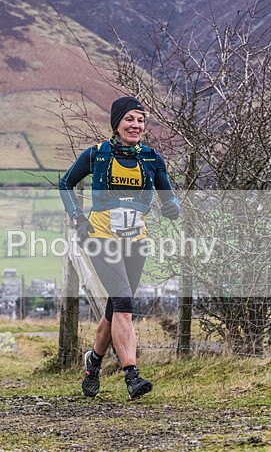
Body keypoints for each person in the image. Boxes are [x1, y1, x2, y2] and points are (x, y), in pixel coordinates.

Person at [58, 96, 180, 400]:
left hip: (136, 241)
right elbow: (65, 184)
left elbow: (168, 196)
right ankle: (131, 375)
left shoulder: (151, 158)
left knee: (115, 309)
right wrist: (77, 217)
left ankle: (93, 362)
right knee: (125, 304)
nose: (136, 125)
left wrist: (171, 207)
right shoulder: (96, 155)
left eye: (140, 120)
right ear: (116, 124)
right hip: (101, 238)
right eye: (129, 119)